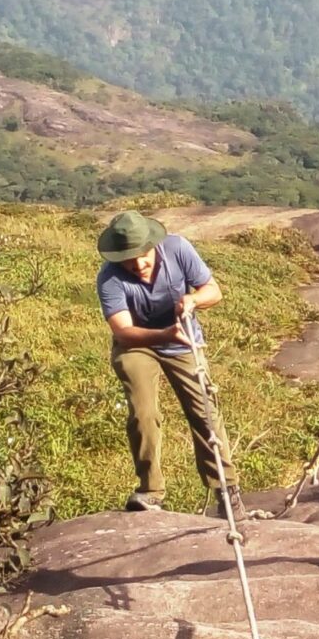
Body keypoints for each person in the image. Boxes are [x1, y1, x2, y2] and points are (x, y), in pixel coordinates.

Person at [96, 210, 226, 513]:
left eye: (143, 255)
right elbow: (123, 331)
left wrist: (193, 300)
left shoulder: (178, 249)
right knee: (143, 413)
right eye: (129, 258)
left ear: (154, 244)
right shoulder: (109, 277)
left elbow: (213, 291)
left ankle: (225, 489)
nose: (138, 264)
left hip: (184, 341)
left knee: (205, 411)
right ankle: (150, 489)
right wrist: (166, 333)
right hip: (137, 344)